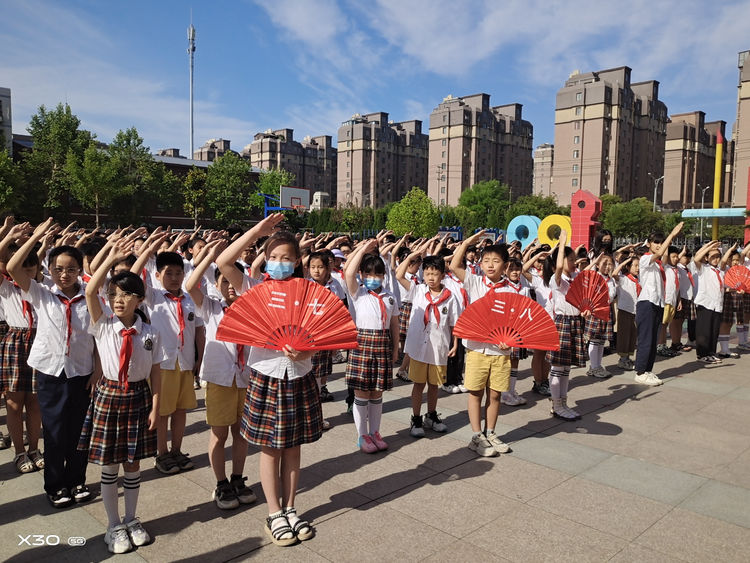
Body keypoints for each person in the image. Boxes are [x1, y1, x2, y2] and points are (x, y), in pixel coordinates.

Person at [218, 219, 321, 547]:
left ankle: (291, 508)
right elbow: (223, 262)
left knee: (294, 447)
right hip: (267, 376)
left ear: (297, 261)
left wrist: (305, 348)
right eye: (273, 256)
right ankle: (274, 511)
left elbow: (320, 334)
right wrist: (256, 232)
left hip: (300, 374)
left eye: (286, 257)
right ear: (264, 259)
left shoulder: (308, 292)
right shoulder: (254, 288)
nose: (280, 263)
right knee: (270, 448)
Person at [79, 242, 164, 554]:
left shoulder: (150, 332)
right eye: (114, 294)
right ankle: (113, 525)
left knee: (133, 462)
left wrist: (156, 406)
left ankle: (131, 519)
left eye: (126, 294)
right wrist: (112, 260)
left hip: (139, 396)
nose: (118, 300)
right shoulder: (103, 325)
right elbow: (90, 292)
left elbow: (156, 372)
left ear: (139, 299)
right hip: (110, 394)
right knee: (110, 463)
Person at [7, 218, 95, 508]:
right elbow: (12, 268)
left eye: (71, 268)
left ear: (80, 270)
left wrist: (98, 372)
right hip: (50, 373)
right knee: (55, 432)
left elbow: (97, 338)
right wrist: (35, 239)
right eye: (58, 269)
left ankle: (77, 480)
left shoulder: (91, 299)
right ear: (50, 270)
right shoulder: (42, 294)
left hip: (82, 373)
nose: (65, 274)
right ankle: (56, 485)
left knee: (79, 431)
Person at [186, 240, 257, 510]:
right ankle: (221, 483)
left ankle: (237, 478)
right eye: (224, 281)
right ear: (216, 285)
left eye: (233, 281)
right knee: (219, 434)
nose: (230, 287)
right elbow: (190, 286)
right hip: (219, 379)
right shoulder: (211, 309)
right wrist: (210, 258)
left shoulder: (252, 310)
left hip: (244, 378)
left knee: (241, 433)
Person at [131, 244, 205, 475]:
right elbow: (133, 277)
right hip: (162, 364)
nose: (174, 278)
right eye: (168, 273)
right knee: (162, 411)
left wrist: (200, 358)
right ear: (157, 275)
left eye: (178, 273)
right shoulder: (153, 297)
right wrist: (147, 250)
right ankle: (161, 452)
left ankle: (177, 450)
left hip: (185, 361)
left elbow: (200, 331)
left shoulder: (190, 300)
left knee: (181, 409)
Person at [450, 230, 512, 457]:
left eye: (496, 261)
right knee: (475, 392)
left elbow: (516, 320)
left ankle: (491, 432)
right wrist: (467, 242)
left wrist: (510, 340)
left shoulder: (513, 289)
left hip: (500, 351)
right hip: (476, 348)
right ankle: (477, 436)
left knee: (495, 394)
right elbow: (455, 266)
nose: (490, 265)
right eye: (486, 260)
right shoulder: (475, 281)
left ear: (505, 265)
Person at [344, 239, 400, 453]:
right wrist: (362, 250)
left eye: (377, 274)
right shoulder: (358, 293)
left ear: (383, 276)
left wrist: (395, 349)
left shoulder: (390, 297)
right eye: (368, 274)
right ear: (362, 275)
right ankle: (362, 435)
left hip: (382, 345)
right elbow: (349, 273)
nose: (372, 278)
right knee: (362, 393)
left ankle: (375, 431)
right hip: (362, 346)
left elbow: (394, 325)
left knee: (377, 393)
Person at [396, 252, 458, 438]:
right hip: (418, 348)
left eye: (435, 273)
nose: (431, 277)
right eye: (428, 273)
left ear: (443, 275)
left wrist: (455, 344)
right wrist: (413, 255)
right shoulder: (417, 291)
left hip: (439, 348)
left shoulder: (450, 297)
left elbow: (454, 322)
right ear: (423, 274)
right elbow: (399, 275)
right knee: (418, 384)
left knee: (434, 385)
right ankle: (416, 418)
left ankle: (431, 415)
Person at [0, 223, 43, 474]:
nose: (27, 273)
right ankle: (19, 452)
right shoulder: (6, 286)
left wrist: (39, 241)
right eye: (22, 268)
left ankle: (34, 448)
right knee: (14, 404)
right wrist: (9, 237)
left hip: (40, 340)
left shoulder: (43, 288)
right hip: (16, 340)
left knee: (35, 402)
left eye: (31, 267)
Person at [543, 230, 588, 420]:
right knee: (558, 367)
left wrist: (583, 311)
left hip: (575, 322)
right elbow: (559, 265)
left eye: (573, 259)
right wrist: (562, 244)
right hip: (561, 324)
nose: (573, 262)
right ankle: (556, 404)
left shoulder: (574, 279)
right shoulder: (556, 280)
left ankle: (563, 402)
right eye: (570, 259)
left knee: (566, 368)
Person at [634, 223, 683, 385]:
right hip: (646, 303)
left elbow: (663, 255)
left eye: (661, 242)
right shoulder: (645, 259)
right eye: (656, 242)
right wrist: (672, 235)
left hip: (657, 303)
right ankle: (640, 371)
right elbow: (661, 253)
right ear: (648, 244)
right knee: (646, 339)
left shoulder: (658, 264)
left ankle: (648, 370)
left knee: (653, 340)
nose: (659, 245)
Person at [692, 240, 734, 363]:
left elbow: (721, 287)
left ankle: (711, 352)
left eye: (718, 257)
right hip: (706, 303)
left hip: (717, 305)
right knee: (704, 331)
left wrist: (734, 289)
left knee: (714, 330)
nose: (716, 259)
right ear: (706, 258)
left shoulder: (720, 271)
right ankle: (702, 354)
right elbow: (697, 258)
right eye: (713, 257)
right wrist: (709, 246)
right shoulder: (703, 268)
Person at [499, 258, 531, 405]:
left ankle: (511, 390)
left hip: (519, 329)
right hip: (506, 330)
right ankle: (504, 393)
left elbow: (529, 308)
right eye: (511, 269)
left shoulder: (524, 289)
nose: (514, 272)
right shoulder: (503, 287)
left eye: (517, 269)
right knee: (506, 360)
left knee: (516, 360)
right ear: (505, 270)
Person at [584, 254, 615, 379]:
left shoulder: (611, 280)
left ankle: (598, 365)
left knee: (602, 340)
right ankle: (593, 366)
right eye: (604, 264)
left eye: (610, 264)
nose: (607, 267)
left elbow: (612, 294)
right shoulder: (595, 277)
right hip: (596, 311)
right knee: (594, 339)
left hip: (606, 310)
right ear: (597, 265)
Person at [614, 255, 639, 370]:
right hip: (625, 310)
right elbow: (614, 274)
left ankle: (628, 357)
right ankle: (622, 360)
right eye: (635, 265)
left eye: (639, 265)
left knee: (632, 335)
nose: (638, 268)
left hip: (635, 311)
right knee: (624, 335)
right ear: (628, 267)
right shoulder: (623, 279)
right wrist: (624, 263)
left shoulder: (638, 279)